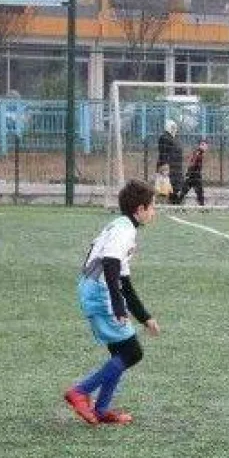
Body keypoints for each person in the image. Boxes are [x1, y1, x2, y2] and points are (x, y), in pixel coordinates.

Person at [63, 180, 161, 427]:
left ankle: (102, 409)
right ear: (140, 209)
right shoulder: (124, 230)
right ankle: (79, 391)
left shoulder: (123, 227)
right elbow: (109, 263)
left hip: (95, 289)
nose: (154, 211)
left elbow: (124, 282)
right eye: (152, 206)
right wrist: (118, 306)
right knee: (132, 352)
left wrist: (144, 317)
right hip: (99, 292)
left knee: (120, 352)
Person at [156, 120, 183, 201]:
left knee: (176, 187)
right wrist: (164, 166)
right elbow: (163, 153)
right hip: (168, 167)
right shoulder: (164, 137)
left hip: (176, 166)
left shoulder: (174, 137)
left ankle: (175, 202)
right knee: (167, 187)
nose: (174, 129)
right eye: (172, 127)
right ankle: (171, 203)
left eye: (175, 127)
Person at [175, 139, 207, 206]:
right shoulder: (198, 153)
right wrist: (189, 173)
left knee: (187, 191)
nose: (205, 146)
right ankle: (202, 206)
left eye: (205, 145)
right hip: (194, 175)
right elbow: (192, 163)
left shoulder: (200, 153)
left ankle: (177, 203)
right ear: (199, 145)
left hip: (194, 175)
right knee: (198, 191)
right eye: (202, 145)